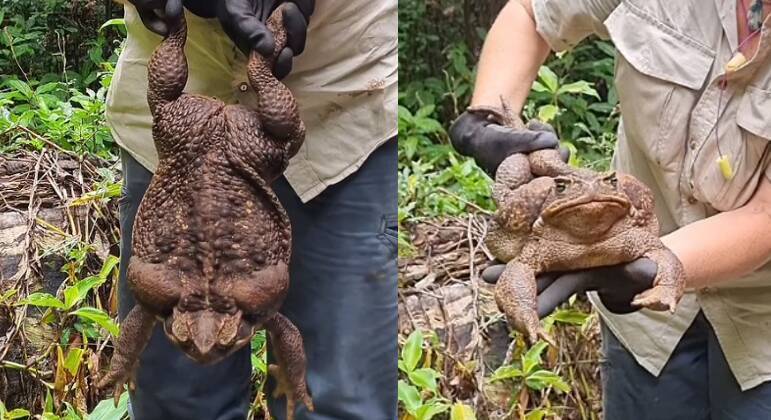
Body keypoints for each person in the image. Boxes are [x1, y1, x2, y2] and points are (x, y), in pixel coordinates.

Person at [449, 0, 771, 418]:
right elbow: (532, 13)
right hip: (645, 323)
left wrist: (646, 265)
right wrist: (488, 120)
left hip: (760, 317)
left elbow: (764, 216)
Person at [107, 0, 397, 419]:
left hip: (342, 102)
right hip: (199, 135)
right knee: (174, 405)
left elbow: (147, 303)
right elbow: (278, 323)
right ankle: (187, 38)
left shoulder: (184, 300)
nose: (204, 346)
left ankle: (187, 40)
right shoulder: (223, 303)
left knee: (338, 401)